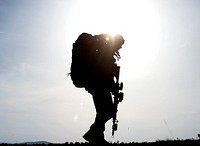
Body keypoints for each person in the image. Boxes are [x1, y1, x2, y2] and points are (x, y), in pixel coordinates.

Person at [71, 33, 125, 144]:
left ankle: (97, 136)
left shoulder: (102, 49)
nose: (119, 48)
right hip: (95, 82)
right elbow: (103, 72)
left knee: (104, 110)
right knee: (108, 110)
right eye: (119, 45)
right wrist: (113, 86)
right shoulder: (104, 51)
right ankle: (94, 134)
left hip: (93, 81)